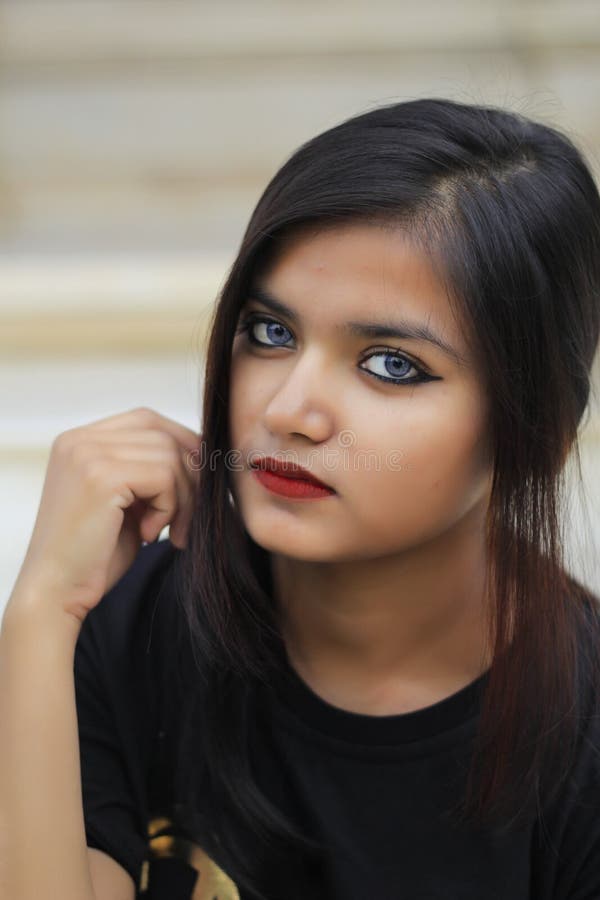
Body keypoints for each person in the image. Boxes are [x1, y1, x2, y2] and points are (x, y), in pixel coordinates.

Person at [1, 97, 600, 900]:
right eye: (271, 333)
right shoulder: (130, 628)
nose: (287, 410)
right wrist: (40, 611)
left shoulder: (581, 732)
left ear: (539, 431)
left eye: (391, 364)